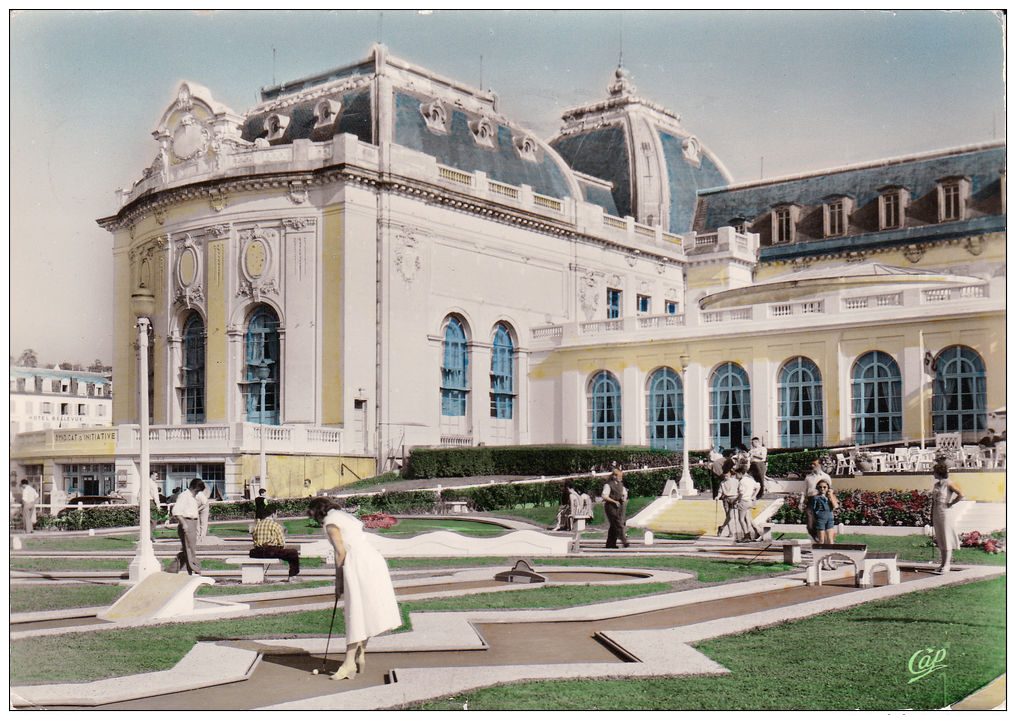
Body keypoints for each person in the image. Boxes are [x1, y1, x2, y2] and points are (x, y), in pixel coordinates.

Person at [307, 497, 401, 681]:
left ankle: (349, 663)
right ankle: (360, 654)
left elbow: (340, 552)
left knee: (355, 612)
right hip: (373, 560)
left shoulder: (330, 523)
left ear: (319, 512)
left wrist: (338, 582)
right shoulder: (344, 516)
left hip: (358, 564)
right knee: (365, 610)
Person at [166, 478, 206, 575]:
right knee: (190, 549)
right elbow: (176, 511)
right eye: (197, 491)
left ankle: (172, 570)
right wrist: (184, 524)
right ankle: (195, 569)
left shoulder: (192, 497)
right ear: (194, 487)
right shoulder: (184, 496)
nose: (197, 493)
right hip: (187, 522)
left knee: (187, 550)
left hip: (193, 522)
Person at [931, 461, 963, 573]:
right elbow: (933, 500)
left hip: (945, 511)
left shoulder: (948, 483)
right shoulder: (936, 485)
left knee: (946, 536)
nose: (932, 473)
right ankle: (942, 563)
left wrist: (951, 503)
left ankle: (947, 564)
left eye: (934, 471)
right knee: (940, 537)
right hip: (936, 510)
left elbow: (961, 494)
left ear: (939, 472)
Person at [250, 515, 301, 580]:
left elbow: (254, 541)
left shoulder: (256, 526)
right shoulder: (275, 525)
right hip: (270, 551)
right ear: (273, 514)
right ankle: (292, 576)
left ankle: (257, 575)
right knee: (293, 553)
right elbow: (281, 543)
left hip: (257, 552)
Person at [800, 459, 830, 543]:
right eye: (811, 464)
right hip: (810, 500)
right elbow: (804, 491)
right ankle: (817, 539)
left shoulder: (825, 477)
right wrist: (801, 502)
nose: (812, 466)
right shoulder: (808, 477)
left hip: (821, 501)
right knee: (810, 525)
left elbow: (830, 490)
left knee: (821, 524)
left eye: (814, 464)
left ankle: (822, 542)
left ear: (820, 465)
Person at [601, 468, 629, 548]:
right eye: (619, 476)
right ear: (614, 476)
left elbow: (624, 493)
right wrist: (614, 501)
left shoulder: (621, 485)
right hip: (610, 506)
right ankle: (624, 541)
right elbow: (604, 496)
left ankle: (610, 544)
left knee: (614, 525)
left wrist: (623, 498)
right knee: (617, 523)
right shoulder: (608, 485)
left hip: (619, 506)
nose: (621, 478)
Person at [735, 462, 762, 542]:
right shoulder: (750, 480)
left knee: (741, 519)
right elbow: (758, 486)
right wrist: (754, 495)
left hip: (743, 501)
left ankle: (746, 535)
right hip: (749, 501)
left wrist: (737, 500)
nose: (736, 476)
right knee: (749, 518)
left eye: (736, 474)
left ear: (740, 473)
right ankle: (758, 531)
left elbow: (741, 493)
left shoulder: (742, 482)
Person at [714, 459, 740, 538]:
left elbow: (739, 490)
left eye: (726, 474)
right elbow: (720, 491)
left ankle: (722, 527)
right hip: (726, 499)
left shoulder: (735, 481)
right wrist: (718, 497)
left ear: (729, 473)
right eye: (724, 475)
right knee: (728, 516)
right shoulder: (722, 483)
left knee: (730, 516)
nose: (725, 476)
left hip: (734, 498)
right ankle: (731, 532)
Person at [809, 479, 839, 545]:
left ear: (828, 488)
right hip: (820, 519)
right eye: (820, 487)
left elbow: (836, 506)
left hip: (829, 518)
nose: (822, 489)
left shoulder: (831, 497)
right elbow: (813, 510)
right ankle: (820, 552)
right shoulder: (816, 498)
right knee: (821, 540)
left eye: (824, 487)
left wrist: (831, 495)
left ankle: (831, 553)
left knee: (830, 540)